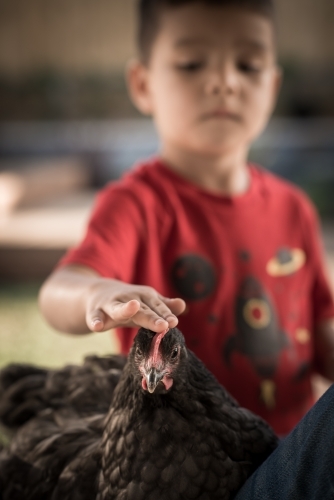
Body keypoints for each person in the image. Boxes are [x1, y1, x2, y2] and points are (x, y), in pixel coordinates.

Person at [38, 0, 334, 437]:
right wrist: (99, 292)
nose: (224, 82)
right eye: (192, 63)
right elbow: (58, 291)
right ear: (142, 84)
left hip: (289, 455)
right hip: (183, 464)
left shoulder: (294, 208)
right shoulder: (137, 204)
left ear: (272, 87)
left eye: (248, 65)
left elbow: (321, 333)